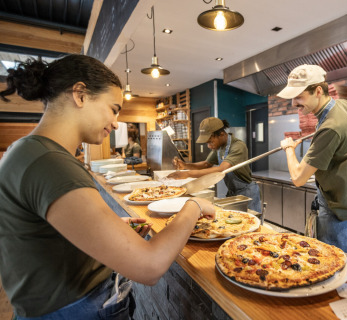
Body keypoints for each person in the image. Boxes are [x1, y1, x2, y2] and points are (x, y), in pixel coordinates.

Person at [0, 54, 215, 319]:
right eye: (113, 109)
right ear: (80, 94)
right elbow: (149, 266)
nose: (115, 123)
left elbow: (45, 237)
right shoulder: (50, 163)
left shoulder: (27, 151)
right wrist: (192, 206)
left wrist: (110, 230)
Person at [278, 64, 347, 255]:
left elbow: (298, 178)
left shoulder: (329, 127)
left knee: (333, 262)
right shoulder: (345, 106)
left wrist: (289, 149)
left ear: (318, 91)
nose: (294, 103)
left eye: (299, 97)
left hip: (335, 207)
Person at [167, 117, 262, 213]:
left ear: (221, 134)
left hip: (247, 193)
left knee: (252, 222)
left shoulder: (238, 146)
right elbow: (206, 164)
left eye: (210, 141)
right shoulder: (219, 147)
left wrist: (187, 174)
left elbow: (222, 169)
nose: (209, 146)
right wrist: (185, 165)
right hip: (232, 192)